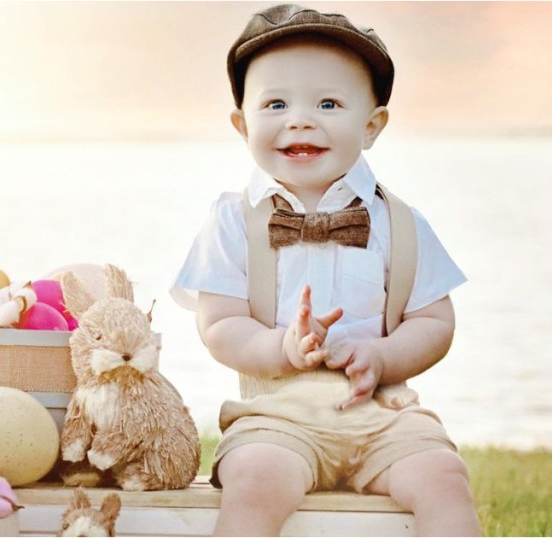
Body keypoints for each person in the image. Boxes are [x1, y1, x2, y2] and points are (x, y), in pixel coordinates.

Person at [171, 4, 481, 536]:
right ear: (243, 125)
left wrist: (383, 355)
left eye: (329, 103)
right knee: (255, 477)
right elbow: (219, 325)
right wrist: (281, 349)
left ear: (371, 125)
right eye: (276, 103)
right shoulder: (232, 220)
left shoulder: (399, 223)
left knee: (444, 476)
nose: (300, 119)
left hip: (384, 414)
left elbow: (435, 323)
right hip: (280, 418)